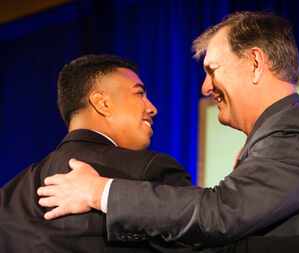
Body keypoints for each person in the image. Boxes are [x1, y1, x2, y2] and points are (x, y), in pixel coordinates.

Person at [37, 12, 299, 252]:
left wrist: (100, 192)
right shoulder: (281, 133)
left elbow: (218, 214)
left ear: (255, 63)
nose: (205, 86)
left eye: (212, 70)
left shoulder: (296, 134)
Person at [0, 54, 193, 252]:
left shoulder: (9, 196)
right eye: (139, 93)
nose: (153, 108)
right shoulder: (150, 170)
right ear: (103, 104)